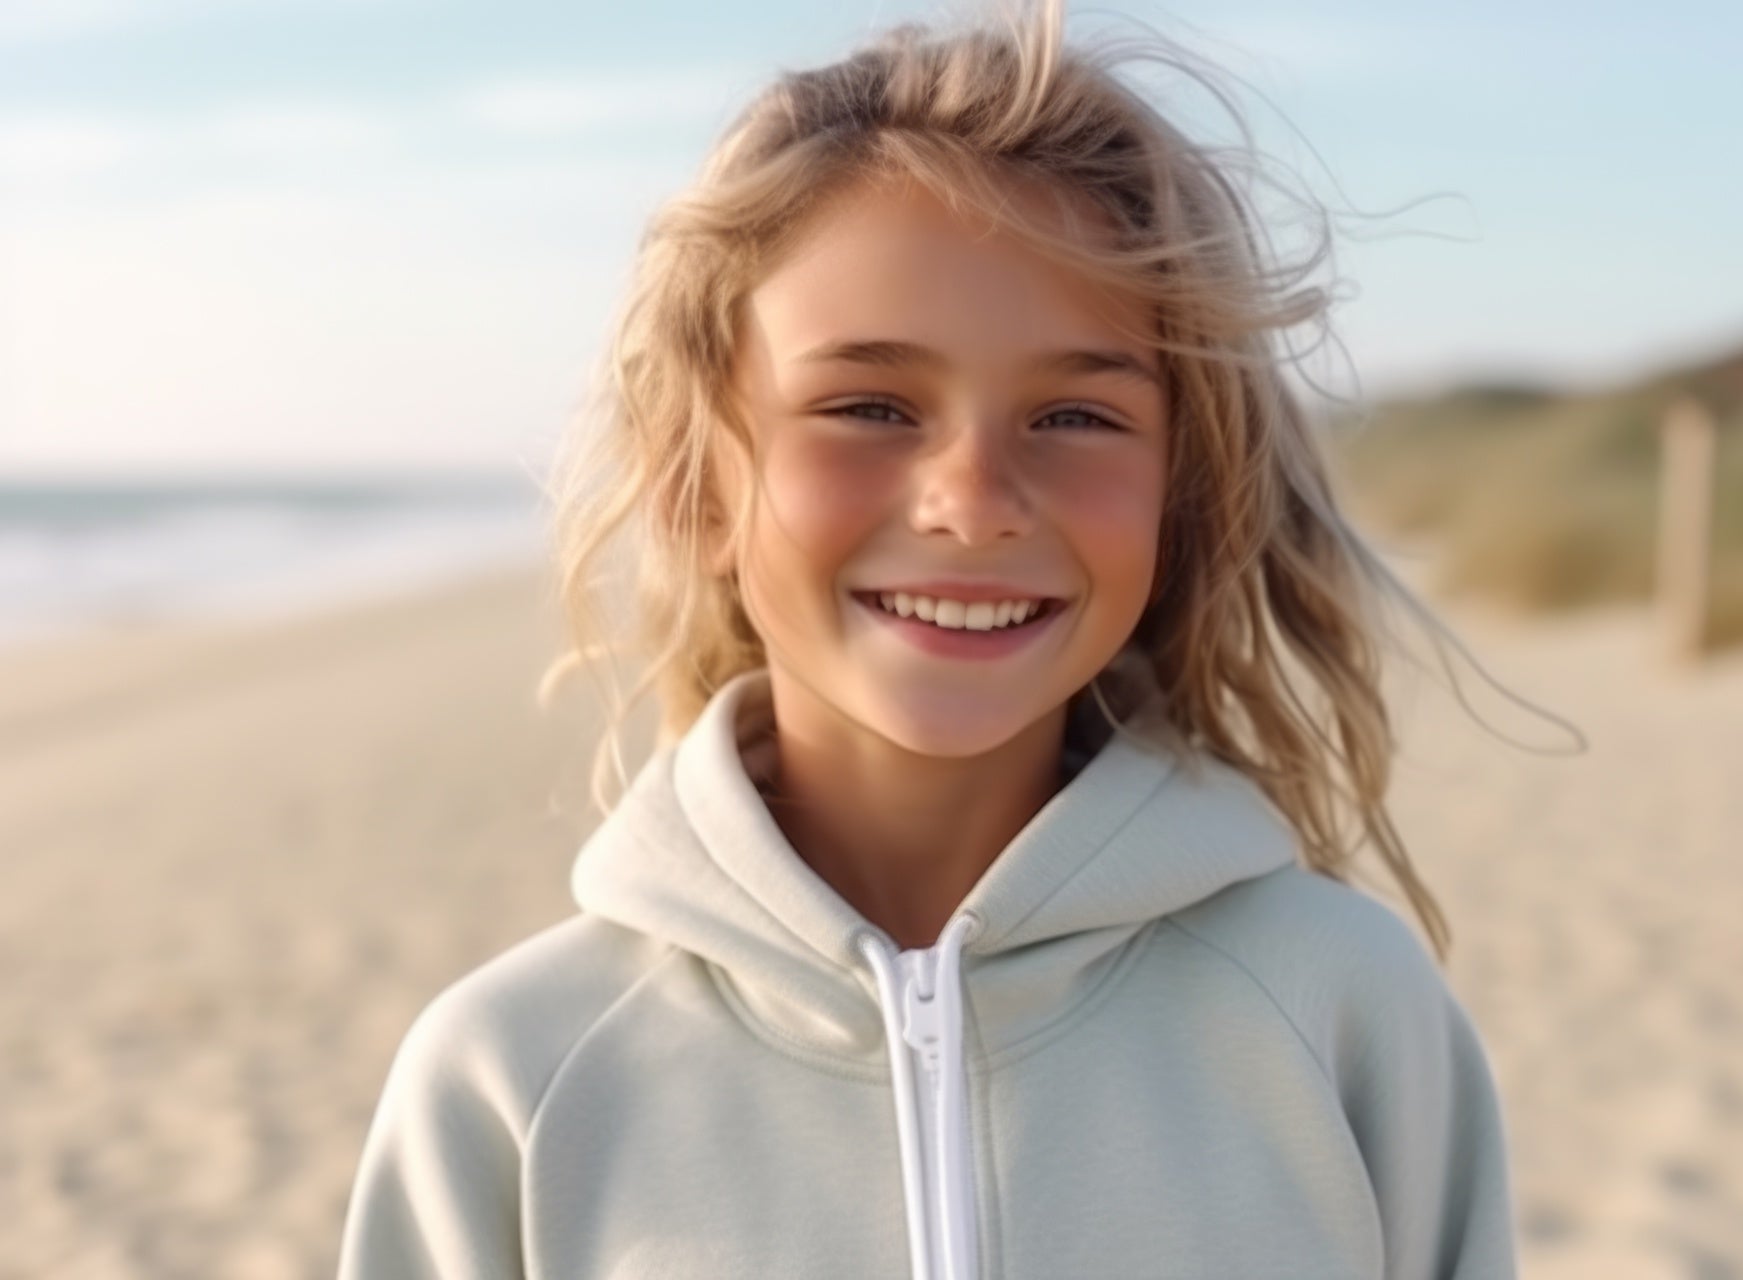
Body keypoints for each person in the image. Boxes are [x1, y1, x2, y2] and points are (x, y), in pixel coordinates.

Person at [337, 1, 1522, 1275]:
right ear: (696, 485)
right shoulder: (515, 1075)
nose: (972, 499)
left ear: (1180, 488)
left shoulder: (1341, 1008)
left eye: (1073, 414)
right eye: (869, 405)